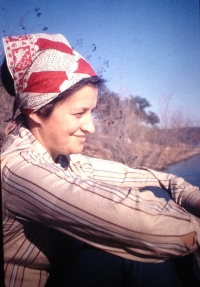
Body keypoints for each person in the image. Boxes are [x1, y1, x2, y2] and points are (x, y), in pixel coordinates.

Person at [0, 33, 200, 287]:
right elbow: (142, 224)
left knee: (156, 196)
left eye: (91, 112)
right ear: (37, 111)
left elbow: (149, 177)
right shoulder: (19, 171)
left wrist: (189, 195)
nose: (91, 127)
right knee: (134, 252)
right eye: (79, 113)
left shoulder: (65, 161)